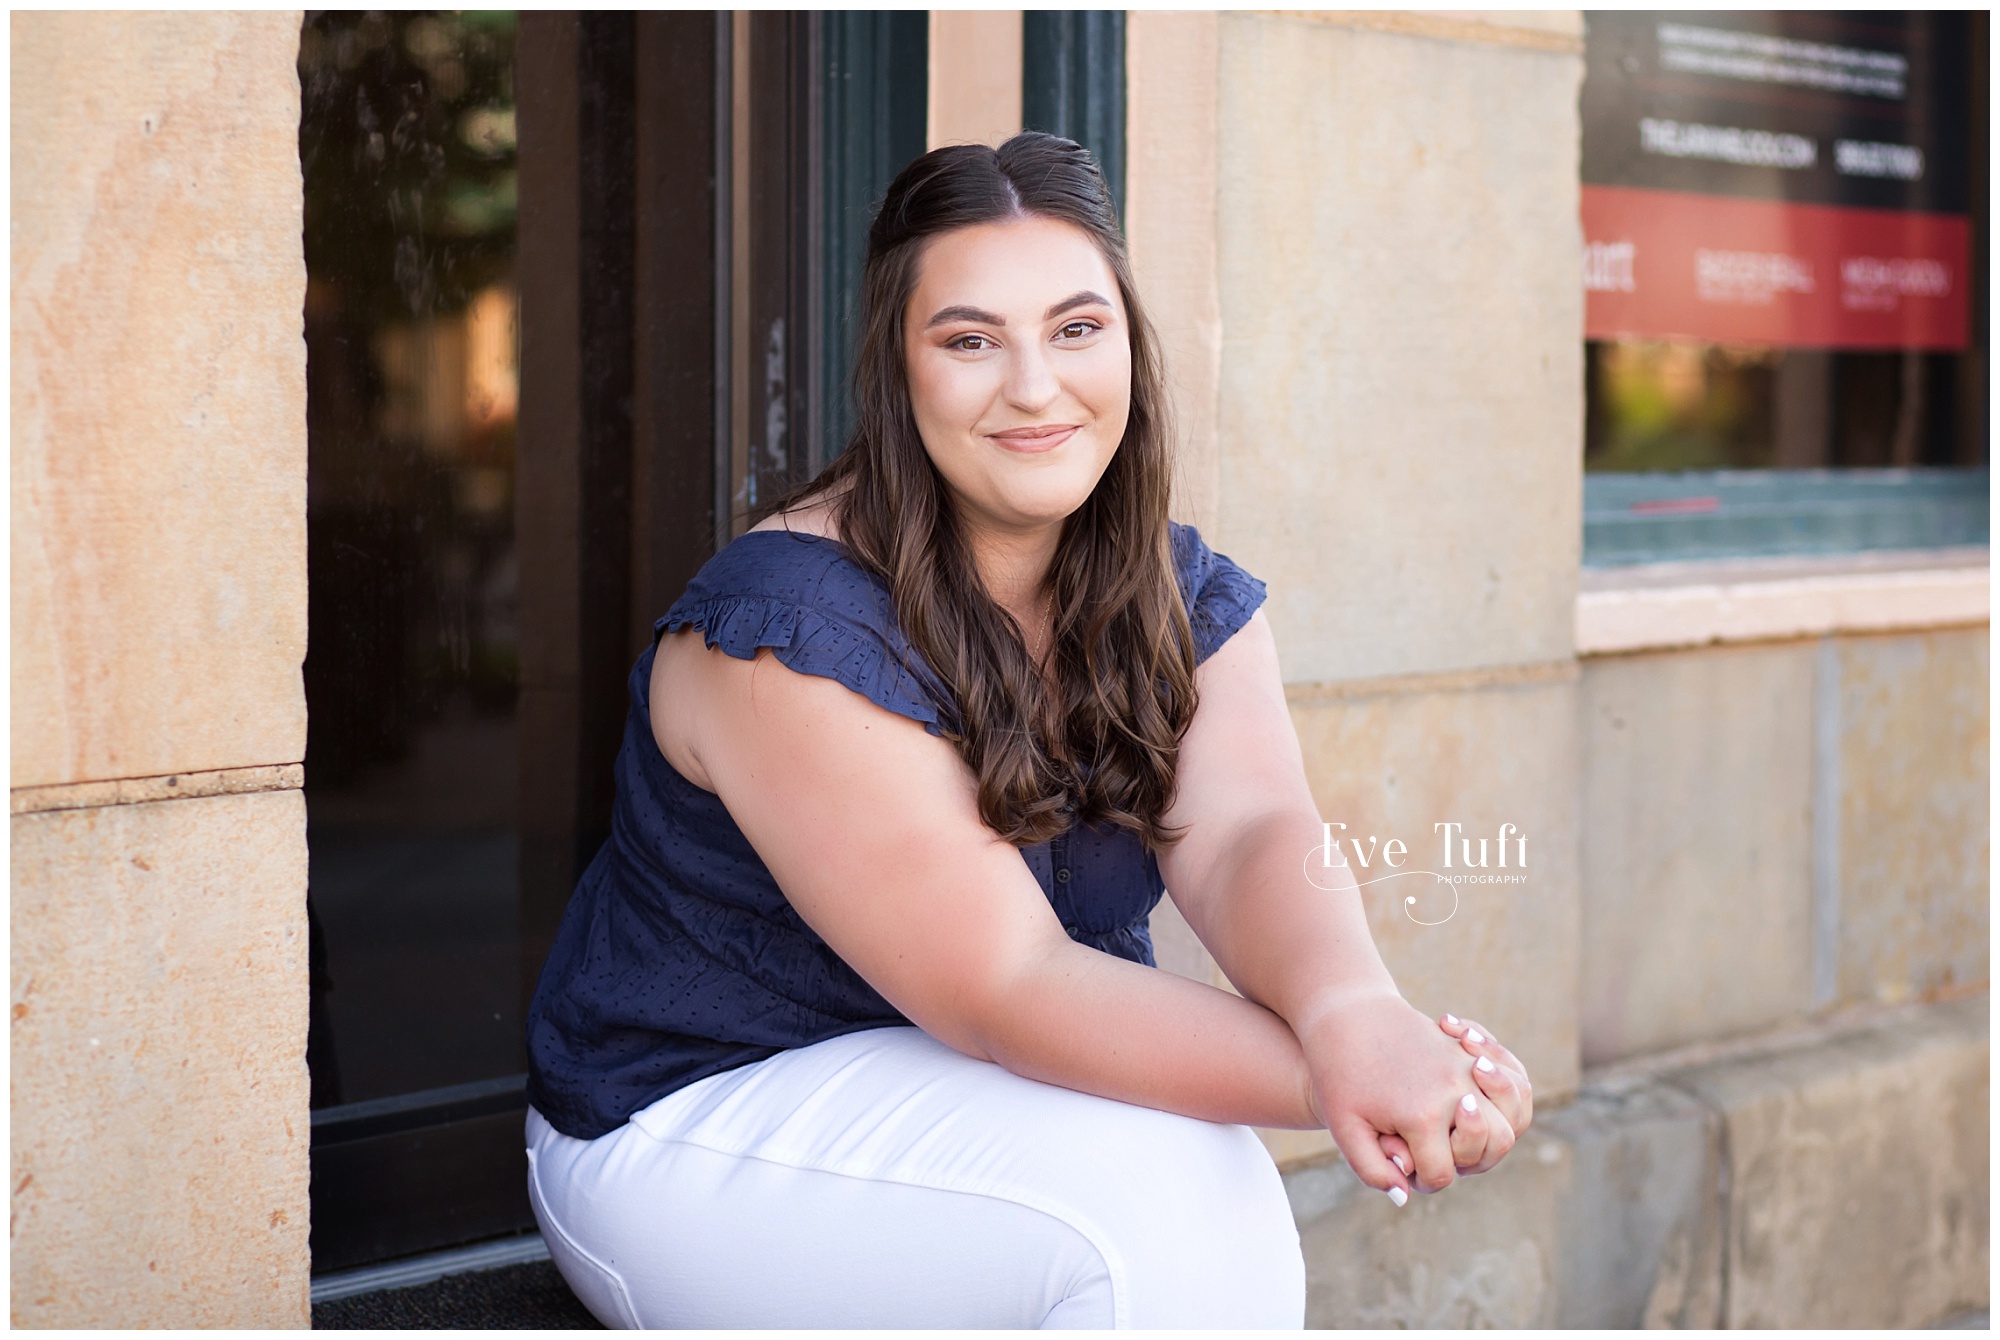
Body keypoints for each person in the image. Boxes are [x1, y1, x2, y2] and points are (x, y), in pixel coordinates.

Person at [522, 132, 1533, 1329]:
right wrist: (1355, 1076)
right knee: (1172, 1201)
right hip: (693, 1117)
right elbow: (1006, 983)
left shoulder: (1174, 593)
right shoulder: (786, 628)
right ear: (896, 369)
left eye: (1075, 328)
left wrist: (1358, 1010)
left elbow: (1246, 832)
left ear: (1128, 345)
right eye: (968, 341)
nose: (1035, 386)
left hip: (973, 1090)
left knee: (1184, 1177)